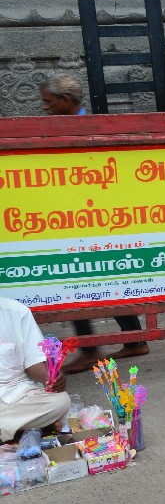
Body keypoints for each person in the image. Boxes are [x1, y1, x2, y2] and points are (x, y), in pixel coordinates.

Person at [37, 73, 149, 372]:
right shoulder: (57, 128)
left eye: (48, 102)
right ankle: (129, 340)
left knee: (86, 279)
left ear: (65, 100)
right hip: (74, 214)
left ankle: (99, 346)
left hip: (94, 215)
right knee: (89, 278)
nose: (45, 108)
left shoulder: (93, 126)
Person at [0, 296, 70, 443]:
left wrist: (50, 378)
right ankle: (24, 430)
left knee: (60, 401)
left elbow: (33, 361)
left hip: (16, 394)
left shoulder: (17, 311)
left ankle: (15, 431)